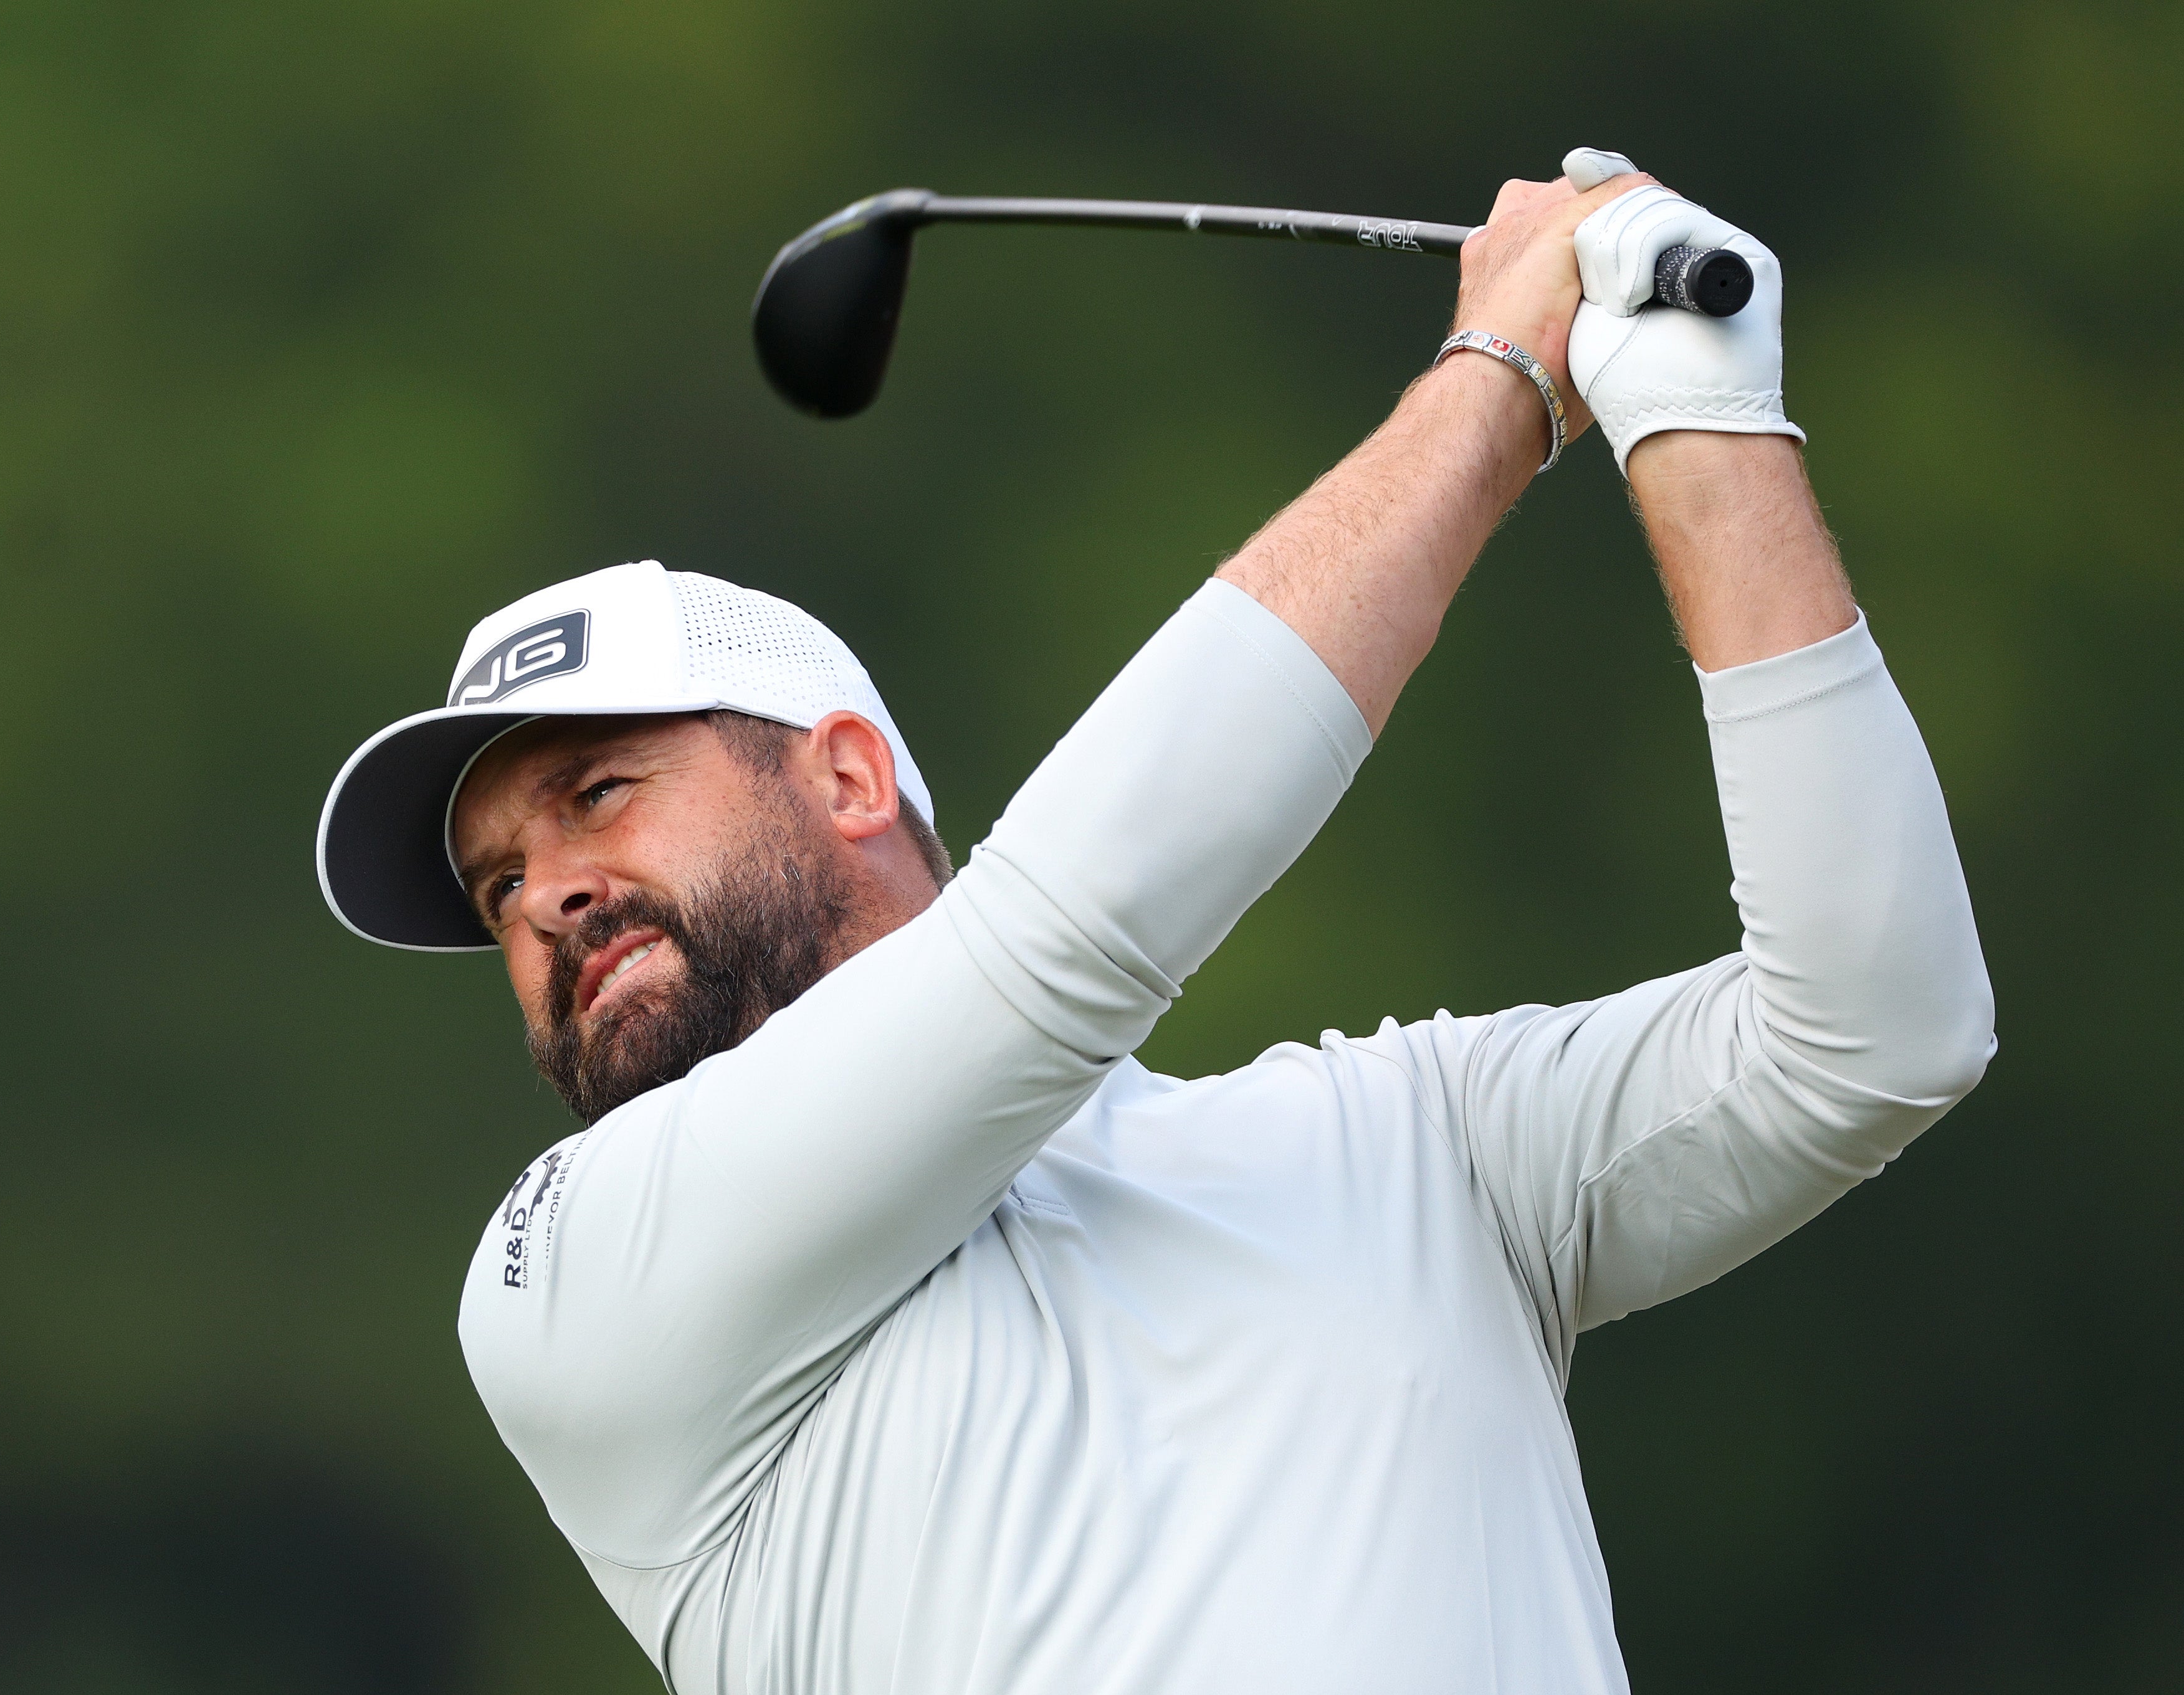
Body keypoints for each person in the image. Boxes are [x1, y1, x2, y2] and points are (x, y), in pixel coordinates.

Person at [314, 151, 1994, 1694]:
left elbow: (1873, 1028)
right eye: (494, 885)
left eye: (598, 792)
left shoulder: (1407, 1146)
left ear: (844, 775)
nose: (545, 892)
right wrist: (1500, 384)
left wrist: (1703, 415)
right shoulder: (582, 1274)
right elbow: (1068, 942)